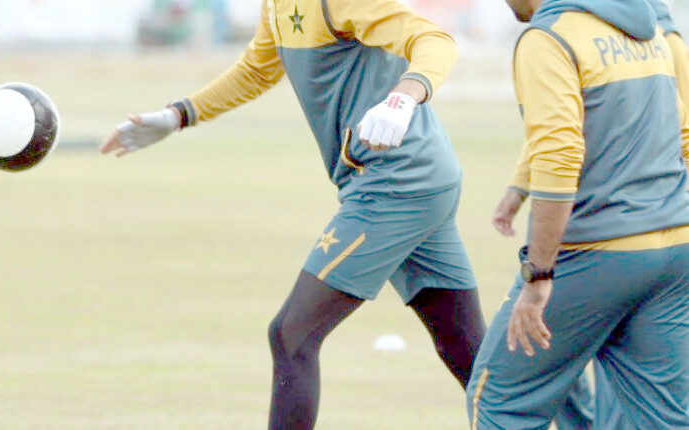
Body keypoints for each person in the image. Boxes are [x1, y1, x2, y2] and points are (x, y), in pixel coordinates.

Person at [101, 1, 486, 428]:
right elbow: (256, 70)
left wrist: (402, 97)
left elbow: (434, 40)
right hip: (420, 179)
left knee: (291, 335)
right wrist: (179, 114)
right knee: (467, 350)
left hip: (396, 185)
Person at [468, 0, 689, 428]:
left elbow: (560, 155)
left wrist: (538, 275)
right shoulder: (648, 32)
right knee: (662, 420)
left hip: (597, 254)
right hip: (674, 248)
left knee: (499, 401)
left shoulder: (550, 36)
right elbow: (683, 134)